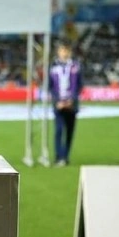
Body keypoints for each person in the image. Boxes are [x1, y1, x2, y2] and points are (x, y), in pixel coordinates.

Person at [48, 39, 83, 167]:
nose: (65, 53)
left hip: (71, 105)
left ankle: (65, 156)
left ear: (70, 52)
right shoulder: (53, 67)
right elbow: (50, 86)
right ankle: (58, 157)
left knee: (69, 131)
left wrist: (71, 100)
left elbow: (79, 85)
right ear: (58, 52)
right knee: (58, 130)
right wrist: (57, 101)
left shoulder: (76, 66)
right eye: (62, 50)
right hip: (58, 105)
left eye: (67, 50)